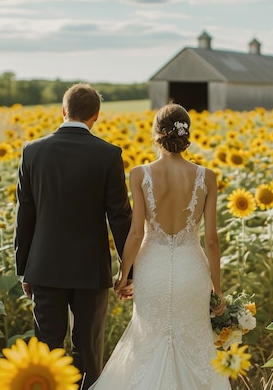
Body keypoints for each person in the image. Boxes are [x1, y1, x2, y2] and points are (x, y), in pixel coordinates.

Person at [88, 103, 231, 390]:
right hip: (192, 271)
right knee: (196, 344)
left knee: (147, 342)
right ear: (186, 133)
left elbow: (135, 234)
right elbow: (212, 240)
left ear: (156, 134)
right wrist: (217, 292)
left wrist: (123, 276)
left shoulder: (140, 174)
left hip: (151, 270)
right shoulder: (208, 177)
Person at [14, 83, 132, 388]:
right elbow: (119, 217)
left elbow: (24, 215)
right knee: (88, 352)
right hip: (90, 270)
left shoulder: (32, 151)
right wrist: (129, 271)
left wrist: (24, 268)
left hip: (44, 268)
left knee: (46, 352)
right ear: (96, 116)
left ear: (63, 111)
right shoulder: (108, 154)